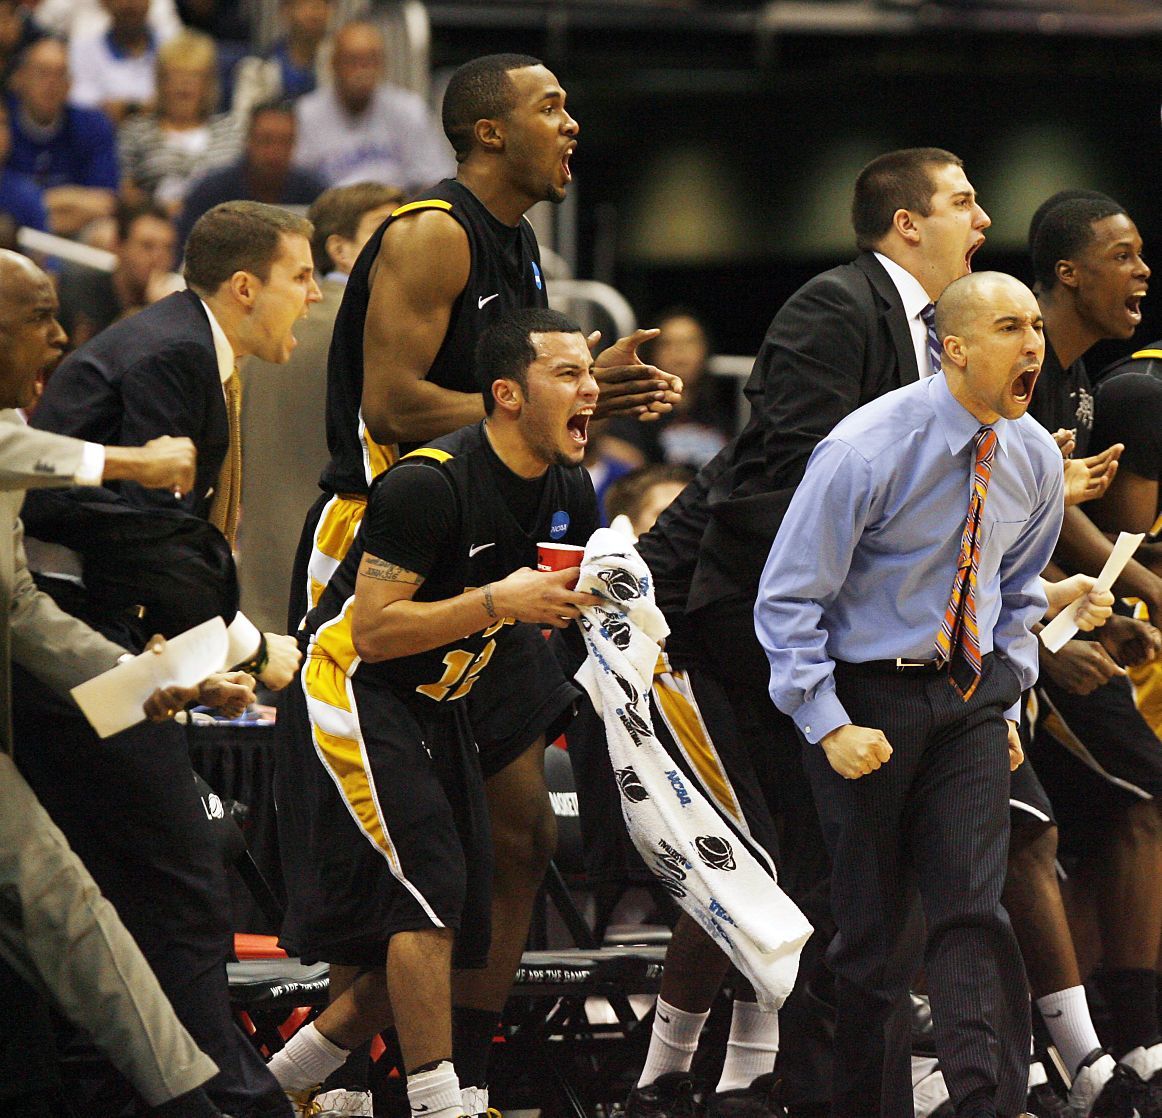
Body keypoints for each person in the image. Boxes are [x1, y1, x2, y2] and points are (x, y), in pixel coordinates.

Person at [286, 52, 681, 1115]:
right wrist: (538, 404)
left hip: (486, 557)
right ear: (490, 131)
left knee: (518, 833)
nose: (573, 121)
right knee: (399, 857)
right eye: (551, 104)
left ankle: (466, 1070)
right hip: (387, 545)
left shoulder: (527, 253)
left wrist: (582, 395)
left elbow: (504, 411)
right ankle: (362, 1092)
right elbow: (393, 405)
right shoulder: (432, 231)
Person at [269, 309, 601, 1118]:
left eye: (590, 372)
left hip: (442, 703)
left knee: (441, 930)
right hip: (354, 688)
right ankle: (439, 1105)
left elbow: (554, 608)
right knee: (428, 902)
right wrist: (498, 599)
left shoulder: (568, 487)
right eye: (568, 373)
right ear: (507, 395)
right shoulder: (426, 483)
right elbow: (376, 633)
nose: (592, 387)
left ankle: (268, 1087)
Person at [756, 270, 1063, 1118]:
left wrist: (1005, 698)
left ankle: (986, 1104)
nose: (1032, 343)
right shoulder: (865, 448)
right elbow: (787, 599)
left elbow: (1020, 589)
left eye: (1036, 325)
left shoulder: (1034, 454)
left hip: (966, 702)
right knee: (874, 944)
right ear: (955, 349)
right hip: (862, 700)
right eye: (1009, 326)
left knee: (973, 913)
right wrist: (825, 723)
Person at [0, 247, 260, 1118]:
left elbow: (24, 613)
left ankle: (192, 1102)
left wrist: (158, 681)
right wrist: (128, 464)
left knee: (67, 907)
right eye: (39, 318)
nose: (62, 336)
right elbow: (11, 451)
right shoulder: (22, 447)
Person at [1020, 191, 1162, 1102]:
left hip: (1044, 620)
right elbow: (977, 519)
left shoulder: (1078, 383)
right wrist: (1045, 634)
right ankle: (1117, 1047)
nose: (1143, 270)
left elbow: (1048, 514)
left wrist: (1119, 601)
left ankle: (1099, 1046)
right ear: (1068, 271)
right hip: (973, 638)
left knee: (1082, 825)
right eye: (1123, 254)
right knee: (1124, 803)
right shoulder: (1028, 371)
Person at [240, 181, 403, 633]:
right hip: (334, 560)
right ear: (340, 249)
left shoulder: (261, 321)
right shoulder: (371, 327)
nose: (403, 244)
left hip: (258, 561)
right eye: (383, 230)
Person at [290, 20, 454, 190]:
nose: (363, 69)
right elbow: (297, 184)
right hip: (329, 212)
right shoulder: (306, 113)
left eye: (371, 60)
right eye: (353, 60)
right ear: (333, 64)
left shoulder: (410, 110)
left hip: (398, 210)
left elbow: (434, 180)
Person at [117, 30, 243, 215]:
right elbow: (124, 191)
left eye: (194, 76)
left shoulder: (232, 130)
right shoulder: (136, 130)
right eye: (175, 75)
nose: (184, 85)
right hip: (157, 225)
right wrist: (159, 210)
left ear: (209, 84)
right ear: (160, 81)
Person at [5, 37, 119, 236]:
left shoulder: (92, 124)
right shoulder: (4, 123)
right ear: (20, 78)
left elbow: (106, 203)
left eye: (60, 75)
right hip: (12, 233)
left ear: (70, 84)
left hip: (76, 235)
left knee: (107, 233)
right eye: (43, 73)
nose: (52, 83)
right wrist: (70, 199)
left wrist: (35, 206)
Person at [177, 100, 328, 248]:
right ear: (247, 140)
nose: (274, 152)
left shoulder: (314, 195)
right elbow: (188, 250)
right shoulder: (210, 193)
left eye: (285, 141)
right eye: (265, 140)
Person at [601, 309, 737, 469]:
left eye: (689, 342)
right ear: (652, 352)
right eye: (667, 343)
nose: (679, 353)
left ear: (705, 350)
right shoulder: (635, 410)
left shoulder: (721, 413)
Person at [56, 198, 178, 350]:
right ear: (118, 245)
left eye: (167, 248)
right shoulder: (78, 291)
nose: (158, 258)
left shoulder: (176, 305)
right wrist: (150, 314)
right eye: (147, 246)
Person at [68, 0, 170, 124]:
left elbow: (180, 106)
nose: (131, 4)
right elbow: (84, 107)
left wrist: (125, 109)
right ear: (104, 3)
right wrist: (148, 108)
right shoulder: (82, 51)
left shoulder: (171, 48)